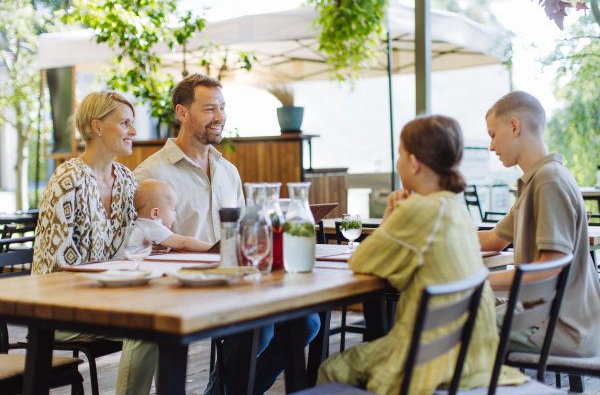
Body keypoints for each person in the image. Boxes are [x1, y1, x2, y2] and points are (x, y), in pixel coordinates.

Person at [134, 73, 320, 395]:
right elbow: (140, 245)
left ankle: (223, 392)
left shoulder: (228, 171)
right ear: (182, 113)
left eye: (222, 108)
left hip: (234, 280)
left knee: (307, 323)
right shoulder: (150, 174)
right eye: (209, 110)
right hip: (181, 288)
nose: (219, 117)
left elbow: (248, 232)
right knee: (258, 328)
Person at [317, 115, 528, 394]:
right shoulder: (458, 210)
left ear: (414, 162)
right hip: (477, 355)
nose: (398, 162)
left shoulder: (415, 211)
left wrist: (390, 215)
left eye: (400, 155)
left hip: (430, 362)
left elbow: (360, 261)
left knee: (330, 368)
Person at [32, 91, 158, 395]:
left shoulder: (126, 180)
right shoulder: (67, 179)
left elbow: (131, 248)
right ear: (97, 126)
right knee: (148, 328)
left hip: (107, 300)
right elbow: (56, 267)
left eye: (133, 123)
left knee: (163, 320)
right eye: (125, 123)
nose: (134, 131)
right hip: (58, 307)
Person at [479, 91, 600, 357]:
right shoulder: (537, 179)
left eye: (492, 134)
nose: (491, 147)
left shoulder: (549, 181)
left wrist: (477, 280)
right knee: (455, 308)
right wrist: (439, 238)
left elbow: (549, 270)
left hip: (559, 327)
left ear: (514, 126)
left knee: (452, 324)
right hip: (540, 314)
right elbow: (494, 240)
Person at [113, 179, 212, 259]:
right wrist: (212, 248)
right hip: (124, 266)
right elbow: (184, 243)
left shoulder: (141, 224)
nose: (175, 214)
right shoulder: (153, 226)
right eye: (172, 209)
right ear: (155, 213)